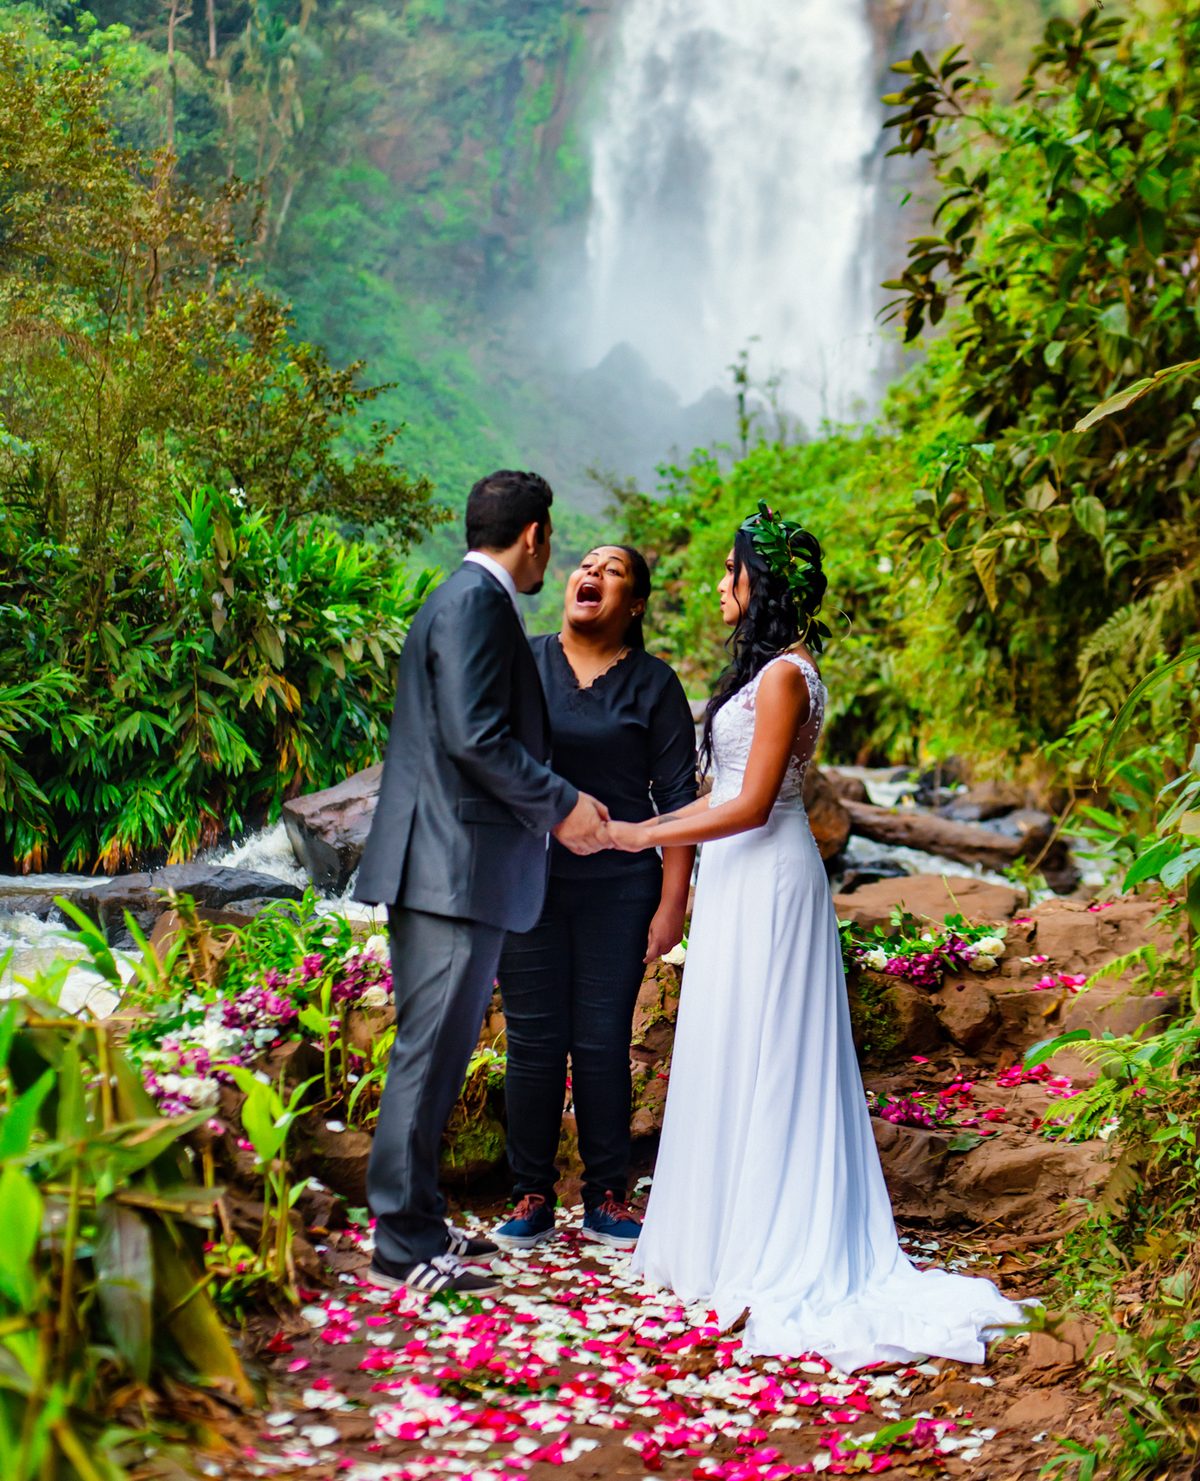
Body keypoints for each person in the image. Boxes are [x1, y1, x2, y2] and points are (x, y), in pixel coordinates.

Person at [606, 502, 1026, 1369]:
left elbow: (753, 804)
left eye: (730, 571)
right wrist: (648, 830)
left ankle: (775, 1240)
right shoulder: (770, 671)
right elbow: (721, 793)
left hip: (768, 876)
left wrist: (642, 834)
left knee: (771, 1047)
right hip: (737, 877)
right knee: (731, 1040)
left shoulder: (786, 676)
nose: (719, 584)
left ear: (760, 583)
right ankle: (725, 1232)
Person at [354, 470, 612, 1298]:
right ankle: (400, 1246)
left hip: (447, 864)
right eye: (552, 539)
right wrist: (562, 805)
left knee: (436, 1053)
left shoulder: (459, 598)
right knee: (428, 1055)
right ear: (534, 535)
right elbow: (474, 737)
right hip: (451, 867)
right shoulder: (475, 604)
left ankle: (422, 1222)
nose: (552, 554)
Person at [492, 545, 698, 1254]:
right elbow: (489, 764)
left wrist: (672, 903)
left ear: (634, 605)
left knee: (603, 1040)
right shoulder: (521, 663)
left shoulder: (654, 684)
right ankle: (530, 1194)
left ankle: (607, 1196)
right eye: (587, 565)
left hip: (621, 888)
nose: (593, 575)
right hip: (527, 881)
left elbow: (677, 802)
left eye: (613, 572)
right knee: (533, 1041)